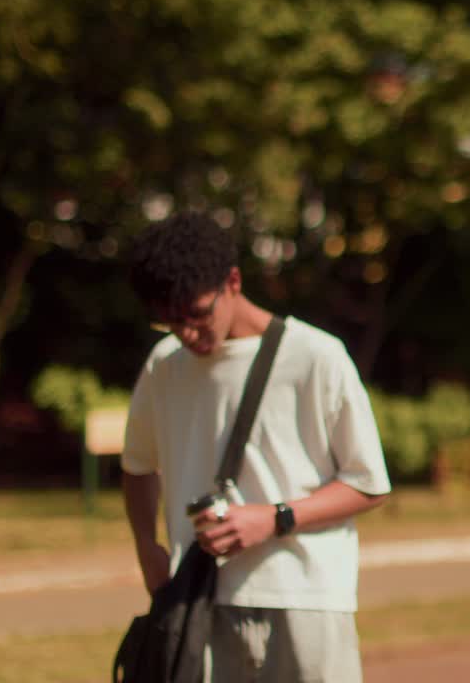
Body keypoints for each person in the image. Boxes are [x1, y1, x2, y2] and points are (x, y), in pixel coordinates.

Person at [121, 211, 391, 682]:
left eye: (197, 315)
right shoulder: (164, 365)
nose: (187, 333)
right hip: (197, 600)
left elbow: (368, 484)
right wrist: (148, 546)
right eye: (169, 322)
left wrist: (274, 517)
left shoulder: (316, 357)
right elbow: (138, 464)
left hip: (305, 597)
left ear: (233, 281)